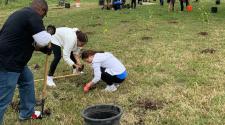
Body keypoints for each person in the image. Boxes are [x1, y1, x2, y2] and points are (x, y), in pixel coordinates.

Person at [0, 0, 52, 124]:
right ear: (42, 10)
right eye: (44, 15)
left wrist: (45, 50)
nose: (43, 19)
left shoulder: (20, 14)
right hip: (9, 61)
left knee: (27, 80)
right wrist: (49, 34)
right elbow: (43, 39)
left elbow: (30, 41)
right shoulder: (33, 15)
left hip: (16, 61)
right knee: (3, 99)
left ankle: (27, 114)